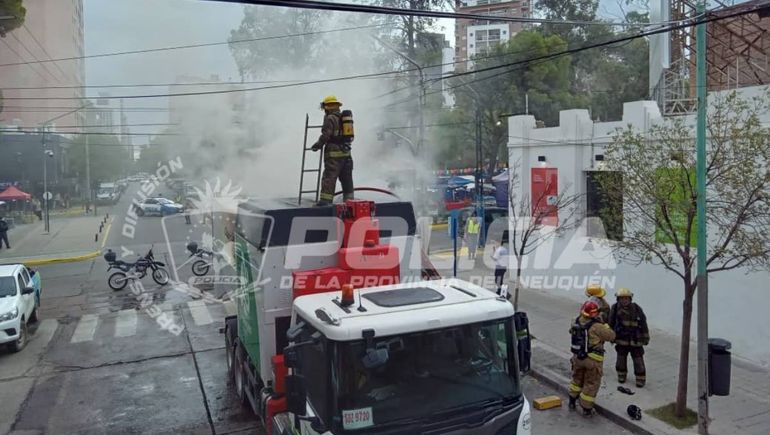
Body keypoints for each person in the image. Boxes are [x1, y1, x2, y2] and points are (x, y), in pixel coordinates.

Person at [568, 300, 616, 417]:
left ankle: (572, 401)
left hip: (577, 357)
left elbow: (571, 331)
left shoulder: (575, 320)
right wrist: (605, 324)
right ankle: (586, 409)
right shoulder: (597, 326)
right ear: (594, 313)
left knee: (577, 379)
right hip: (593, 360)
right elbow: (611, 336)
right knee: (591, 384)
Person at [311, 95, 354, 206]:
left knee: (329, 177)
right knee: (346, 178)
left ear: (328, 107)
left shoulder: (330, 118)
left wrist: (318, 145)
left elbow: (326, 135)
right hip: (346, 152)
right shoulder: (345, 118)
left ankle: (325, 201)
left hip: (333, 154)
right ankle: (350, 202)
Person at [609, 287, 650, 387]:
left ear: (630, 299)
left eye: (626, 298)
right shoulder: (615, 308)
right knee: (621, 359)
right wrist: (610, 336)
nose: (624, 301)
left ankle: (640, 379)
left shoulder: (636, 308)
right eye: (621, 299)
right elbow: (611, 322)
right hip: (621, 339)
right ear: (618, 299)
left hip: (635, 340)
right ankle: (621, 375)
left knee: (638, 360)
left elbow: (643, 323)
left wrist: (645, 337)